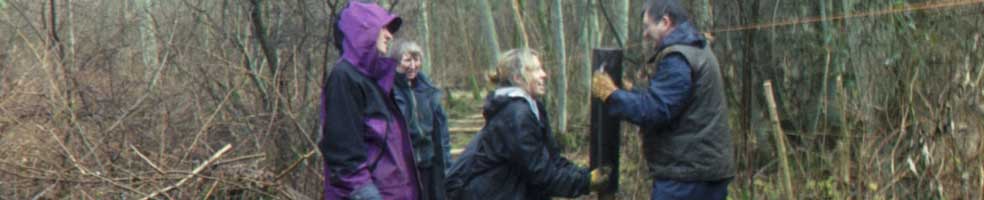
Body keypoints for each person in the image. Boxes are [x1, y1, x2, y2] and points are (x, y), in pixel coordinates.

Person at [591, 0, 735, 199]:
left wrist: (612, 96)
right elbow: (674, 101)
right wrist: (631, 92)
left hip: (685, 177)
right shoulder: (697, 49)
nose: (645, 34)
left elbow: (656, 110)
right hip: (702, 172)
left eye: (647, 26)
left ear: (665, 22)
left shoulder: (678, 56)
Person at [446, 49, 608, 200]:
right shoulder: (516, 115)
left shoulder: (532, 107)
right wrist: (585, 182)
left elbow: (552, 160)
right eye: (536, 70)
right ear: (518, 78)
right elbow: (541, 174)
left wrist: (584, 174)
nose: (544, 74)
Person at [319, 1, 418, 200]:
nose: (390, 35)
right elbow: (345, 158)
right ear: (363, 28)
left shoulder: (375, 79)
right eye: (383, 28)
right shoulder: (344, 78)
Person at [390, 39, 451, 200]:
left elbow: (442, 132)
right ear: (396, 61)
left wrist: (447, 165)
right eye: (407, 60)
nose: (413, 65)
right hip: (405, 167)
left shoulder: (429, 90)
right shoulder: (389, 90)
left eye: (416, 59)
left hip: (430, 164)